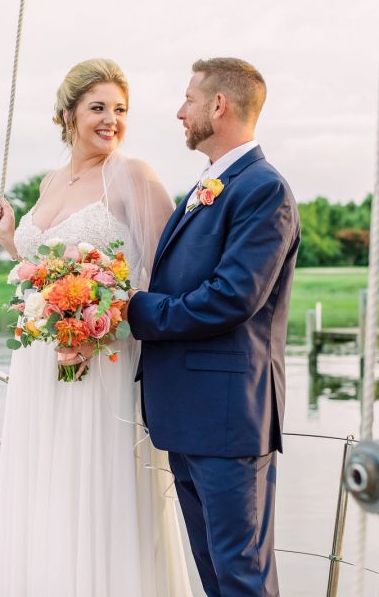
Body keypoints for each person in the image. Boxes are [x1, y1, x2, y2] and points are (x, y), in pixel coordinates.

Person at [0, 58, 193, 596]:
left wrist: (103, 324)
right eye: (98, 108)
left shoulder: (133, 176)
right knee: (46, 490)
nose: (111, 120)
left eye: (120, 109)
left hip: (100, 360)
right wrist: (13, 239)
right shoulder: (55, 178)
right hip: (39, 367)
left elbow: (170, 273)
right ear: (67, 113)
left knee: (94, 491)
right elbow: (42, 270)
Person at [127, 57, 301, 596]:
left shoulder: (263, 189)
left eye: (189, 99)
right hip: (190, 416)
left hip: (229, 419)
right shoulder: (213, 182)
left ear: (218, 106)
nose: (181, 112)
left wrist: (139, 310)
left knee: (241, 576)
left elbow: (231, 298)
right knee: (214, 575)